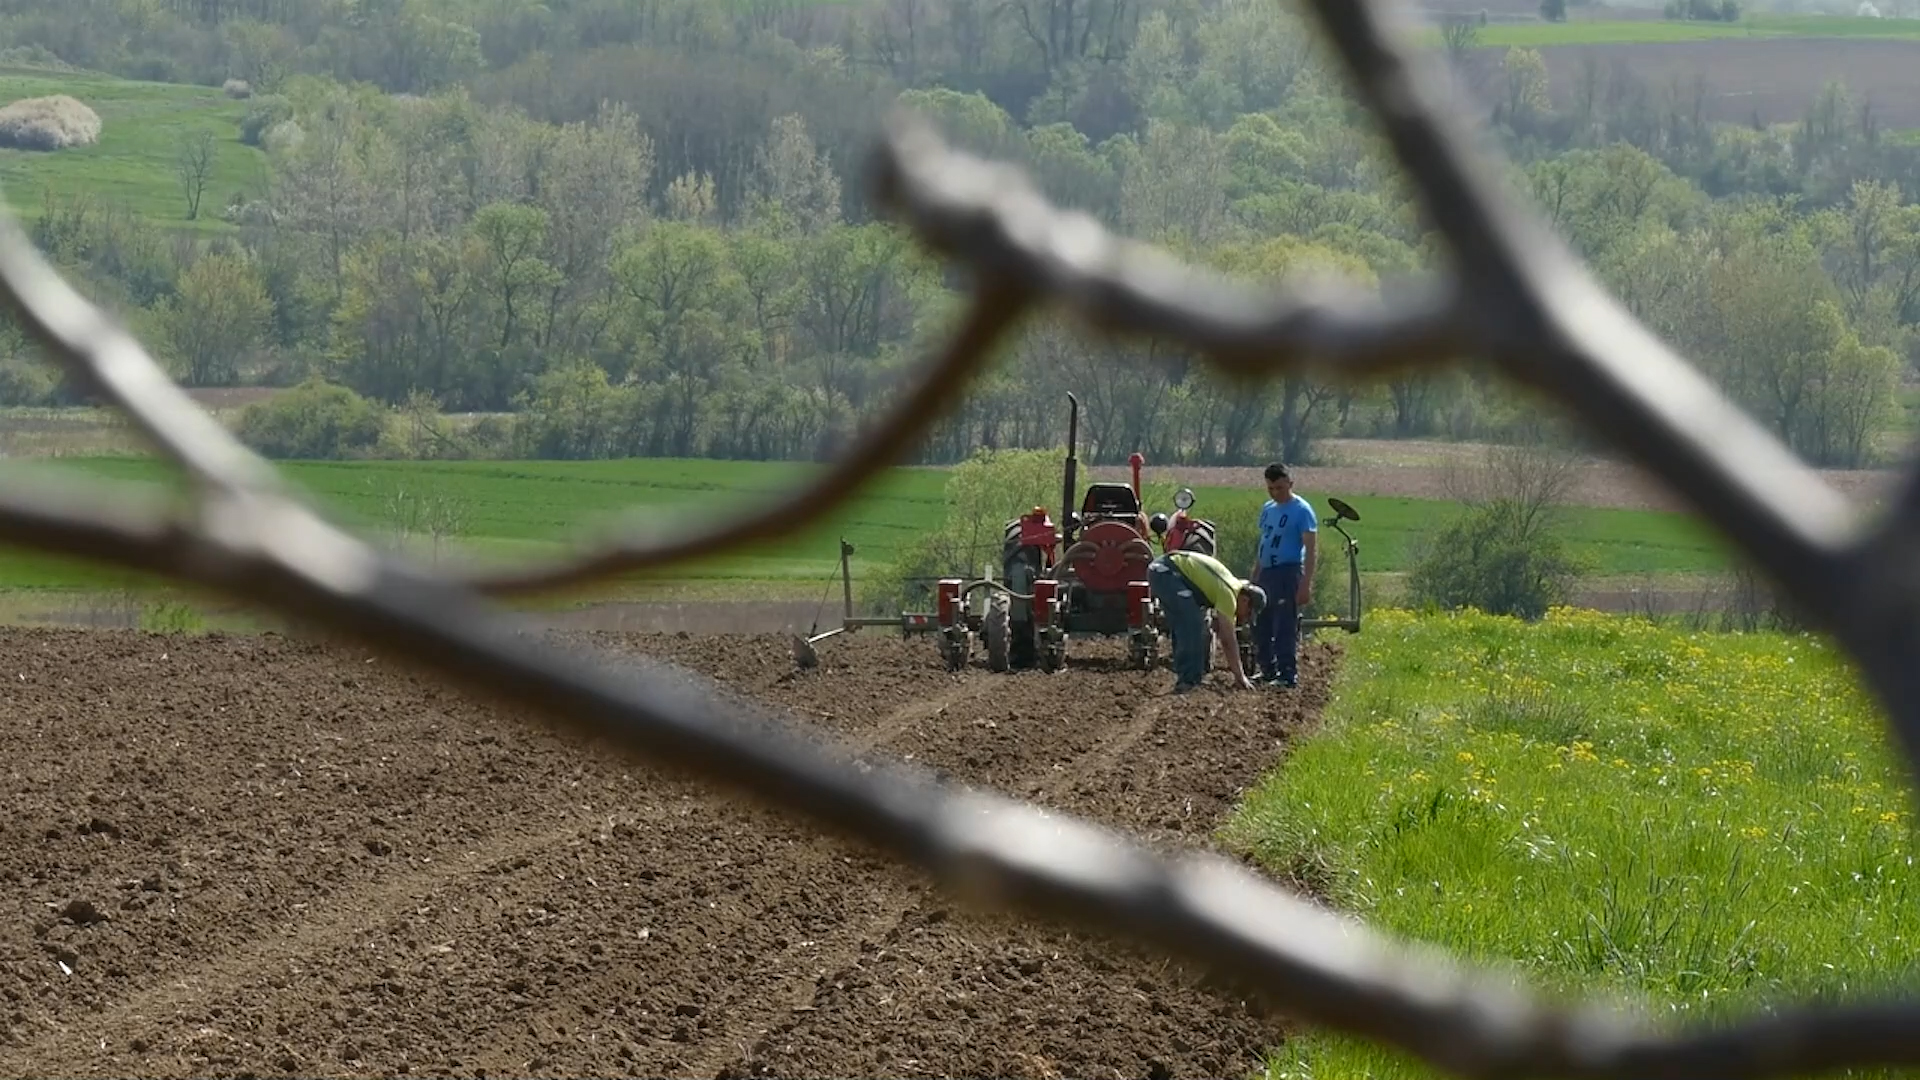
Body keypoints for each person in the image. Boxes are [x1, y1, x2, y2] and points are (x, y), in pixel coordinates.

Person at [1147, 547, 1266, 694]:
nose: (1245, 618)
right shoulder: (1229, 594)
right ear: (1245, 600)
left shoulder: (1232, 587)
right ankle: (1188, 680)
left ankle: (1189, 676)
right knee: (1192, 622)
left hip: (1167, 572)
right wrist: (1240, 676)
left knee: (1189, 622)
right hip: (1165, 572)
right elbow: (1228, 641)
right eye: (1248, 613)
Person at [1250, 462, 1317, 689]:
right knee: (1262, 625)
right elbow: (1264, 544)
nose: (1276, 493)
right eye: (1271, 488)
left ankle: (1287, 674)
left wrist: (1306, 583)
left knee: (1284, 626)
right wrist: (1254, 577)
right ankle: (1267, 670)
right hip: (1267, 573)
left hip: (1287, 572)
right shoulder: (1268, 509)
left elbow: (1310, 550)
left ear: (1290, 483)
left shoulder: (1302, 511)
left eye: (1280, 488)